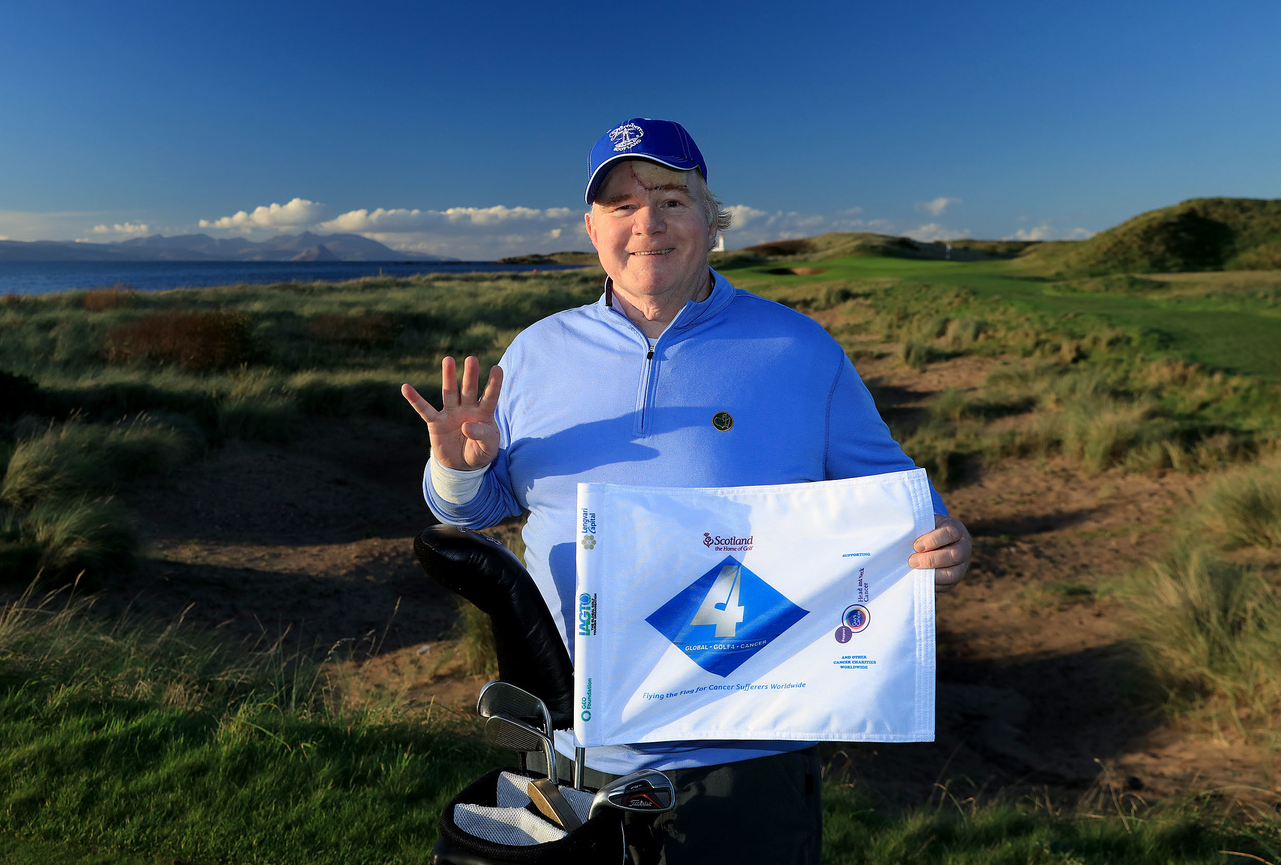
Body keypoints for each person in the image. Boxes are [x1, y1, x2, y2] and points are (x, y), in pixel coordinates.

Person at [403, 117, 972, 865]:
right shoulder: (536, 351)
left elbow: (899, 501)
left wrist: (943, 537)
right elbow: (473, 511)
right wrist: (461, 465)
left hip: (743, 754)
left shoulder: (799, 348)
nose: (648, 224)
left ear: (711, 218)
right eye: (621, 205)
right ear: (592, 228)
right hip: (568, 745)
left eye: (671, 199)